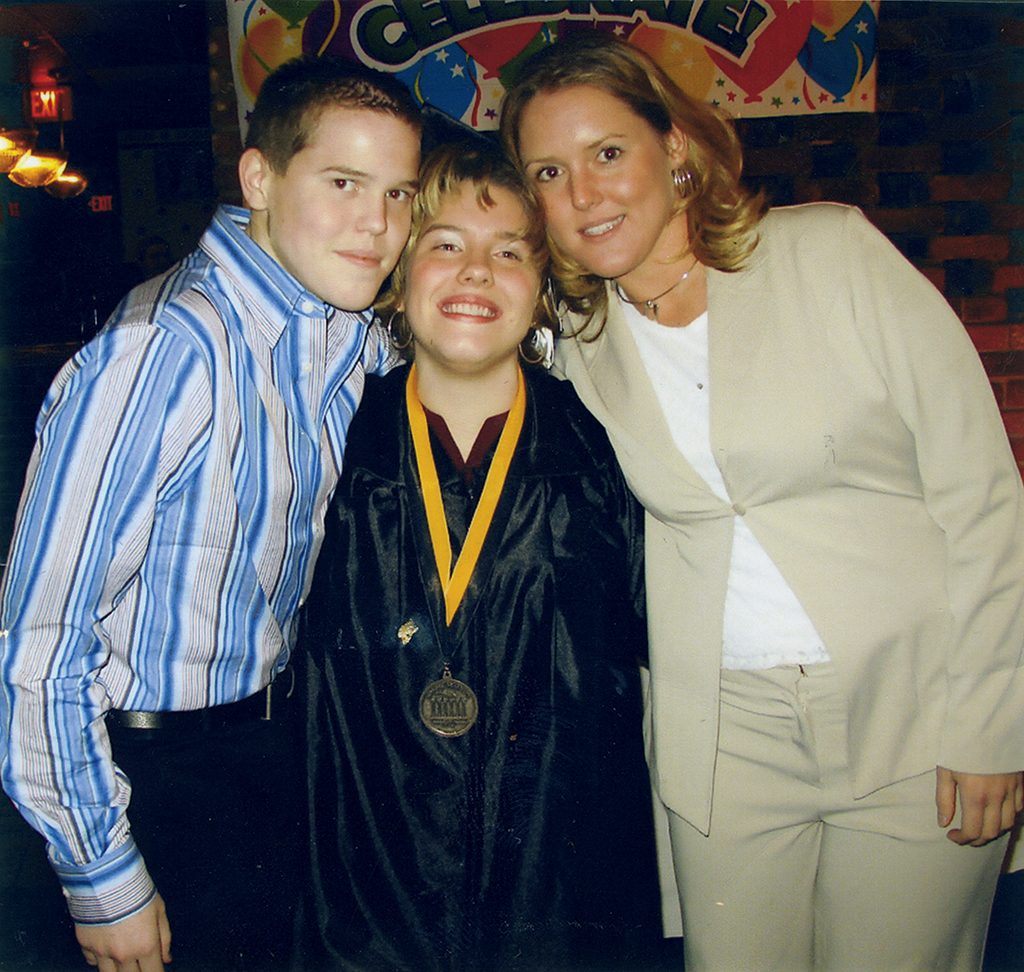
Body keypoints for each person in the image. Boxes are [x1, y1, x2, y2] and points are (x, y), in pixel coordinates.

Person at [500, 30, 1024, 971]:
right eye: (548, 171)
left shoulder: (830, 255)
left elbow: (986, 500)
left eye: (607, 152)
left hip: (915, 706)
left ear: (676, 148)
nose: (582, 193)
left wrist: (995, 725)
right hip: (722, 740)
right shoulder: (574, 337)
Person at [0, 55, 420, 972]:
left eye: (398, 194)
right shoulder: (164, 349)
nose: (378, 225)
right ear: (260, 177)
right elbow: (36, 638)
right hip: (149, 782)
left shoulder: (339, 338)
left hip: (271, 755)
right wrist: (100, 872)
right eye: (344, 183)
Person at [297, 140, 661, 972]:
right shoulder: (332, 446)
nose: (476, 272)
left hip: (561, 893)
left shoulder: (597, 449)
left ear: (540, 293)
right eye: (446, 245)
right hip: (374, 886)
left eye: (508, 253)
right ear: (399, 279)